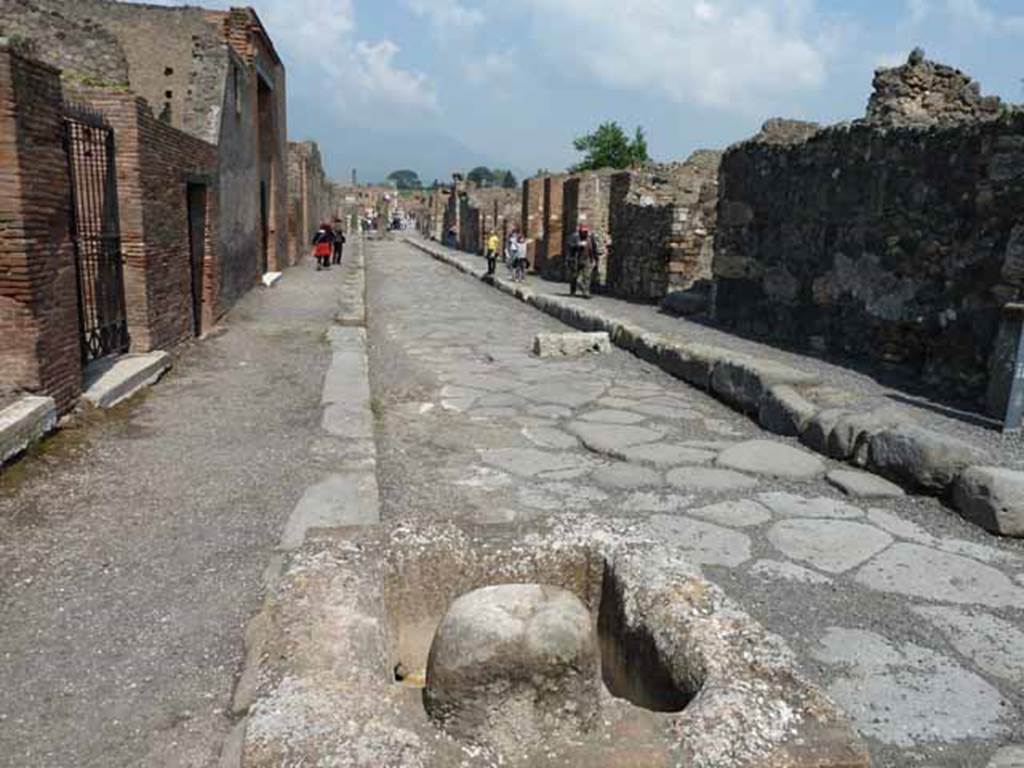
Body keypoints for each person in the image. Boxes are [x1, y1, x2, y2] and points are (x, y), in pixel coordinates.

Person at [566, 224, 599, 298]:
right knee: (574, 276)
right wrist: (578, 245)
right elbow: (569, 246)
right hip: (576, 258)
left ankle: (586, 292)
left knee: (587, 276)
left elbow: (593, 249)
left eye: (586, 231)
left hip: (587, 259)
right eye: (583, 231)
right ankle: (573, 291)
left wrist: (595, 259)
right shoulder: (574, 237)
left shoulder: (590, 238)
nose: (584, 233)